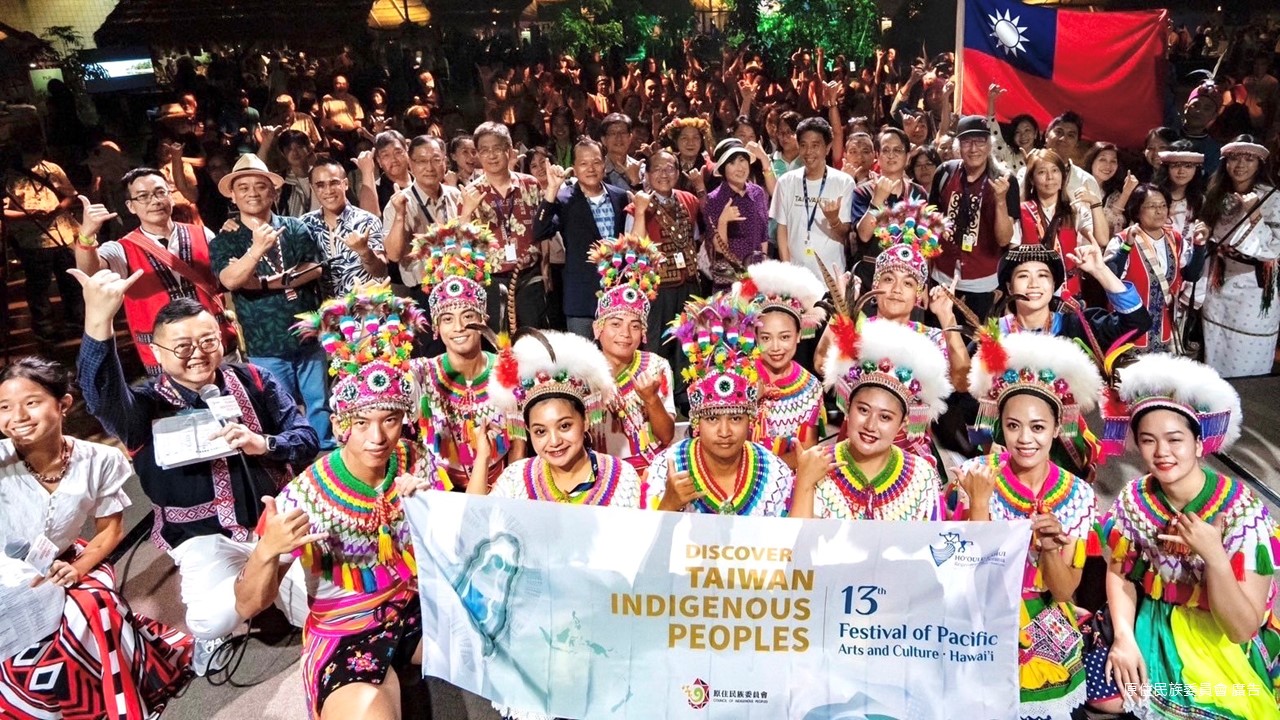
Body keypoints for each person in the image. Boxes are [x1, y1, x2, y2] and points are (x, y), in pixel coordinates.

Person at [73, 272, 318, 672]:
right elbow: (99, 393)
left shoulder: (254, 379)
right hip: (202, 537)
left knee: (318, 614)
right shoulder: (143, 407)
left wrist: (265, 444)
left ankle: (268, 586)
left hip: (274, 523)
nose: (198, 353)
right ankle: (228, 618)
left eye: (207, 342)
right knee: (209, 620)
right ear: (157, 352)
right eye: (183, 346)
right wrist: (98, 322)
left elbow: (305, 436)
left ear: (221, 340)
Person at [239, 288, 441, 719]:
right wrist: (266, 550)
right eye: (361, 423)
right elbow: (247, 605)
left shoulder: (415, 459)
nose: (378, 437)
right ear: (338, 424)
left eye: (389, 419)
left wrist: (430, 504)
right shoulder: (304, 497)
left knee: (510, 640)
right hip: (348, 629)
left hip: (416, 607)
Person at [1089, 354, 1280, 720]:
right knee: (1103, 693)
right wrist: (1125, 637)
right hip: (1156, 622)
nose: (1161, 453)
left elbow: (1241, 628)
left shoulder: (1242, 513)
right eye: (1148, 440)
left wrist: (1216, 558)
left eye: (1175, 439)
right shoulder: (1136, 499)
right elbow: (1120, 572)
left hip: (1217, 637)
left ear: (1198, 443)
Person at [0, 357, 193, 717]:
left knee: (92, 607)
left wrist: (77, 570)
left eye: (31, 402)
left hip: (66, 560)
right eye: (4, 408)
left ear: (63, 405)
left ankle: (98, 699)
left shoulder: (100, 460)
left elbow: (111, 530)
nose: (18, 417)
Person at [960, 332, 1102, 720]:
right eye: (1013, 426)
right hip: (981, 614)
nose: (1025, 439)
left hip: (1047, 616)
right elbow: (968, 574)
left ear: (1058, 428)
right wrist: (978, 505)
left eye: (1038, 427)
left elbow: (1064, 590)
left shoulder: (1077, 495)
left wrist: (1051, 547)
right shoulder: (976, 475)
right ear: (999, 426)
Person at [211, 153, 334, 449]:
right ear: (233, 197)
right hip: (264, 340)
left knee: (320, 404)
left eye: (260, 186)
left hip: (307, 334)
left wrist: (271, 282)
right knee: (282, 408)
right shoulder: (225, 239)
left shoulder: (294, 227)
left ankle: (328, 458)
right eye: (244, 188)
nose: (253, 193)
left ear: (274, 191)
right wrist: (255, 251)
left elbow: (316, 267)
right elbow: (230, 280)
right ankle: (293, 456)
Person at [74, 167, 237, 376]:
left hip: (215, 343)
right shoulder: (122, 248)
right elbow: (92, 273)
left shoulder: (202, 233)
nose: (155, 201)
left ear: (171, 194)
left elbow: (228, 274)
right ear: (131, 206)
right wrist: (87, 237)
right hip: (168, 355)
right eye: (143, 196)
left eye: (161, 192)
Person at [649, 291, 798, 517]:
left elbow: (784, 547)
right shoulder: (667, 468)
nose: (725, 431)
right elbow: (645, 547)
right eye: (712, 418)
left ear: (751, 420)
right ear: (696, 422)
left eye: (736, 418)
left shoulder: (774, 474)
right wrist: (669, 503)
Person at [407, 220, 523, 489]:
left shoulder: (507, 368)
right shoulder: (422, 373)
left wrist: (512, 489)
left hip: (501, 484)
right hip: (439, 488)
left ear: (484, 319)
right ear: (436, 327)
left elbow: (518, 441)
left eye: (468, 316)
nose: (458, 327)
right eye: (447, 319)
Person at [482, 330, 645, 507]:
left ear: (585, 421)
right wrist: (483, 456)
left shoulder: (622, 478)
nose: (554, 441)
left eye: (565, 426)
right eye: (540, 431)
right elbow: (475, 523)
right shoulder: (515, 479)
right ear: (528, 431)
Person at [812, 317, 950, 520]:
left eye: (885, 417)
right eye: (864, 410)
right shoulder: (818, 467)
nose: (870, 425)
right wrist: (806, 485)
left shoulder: (922, 477)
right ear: (848, 409)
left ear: (903, 422)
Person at [588, 234, 676, 470]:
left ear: (644, 333)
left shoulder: (656, 367)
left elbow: (667, 436)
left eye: (635, 326)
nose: (625, 333)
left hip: (650, 471)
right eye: (615, 324)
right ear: (598, 328)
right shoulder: (582, 371)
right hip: (600, 473)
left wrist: (651, 399)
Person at [1198, 137, 1279, 378]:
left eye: (1249, 158)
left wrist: (1254, 215)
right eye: (1234, 158)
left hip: (1253, 289)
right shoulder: (1216, 193)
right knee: (1214, 351)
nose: (1240, 164)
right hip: (1218, 283)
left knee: (1247, 356)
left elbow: (1275, 249)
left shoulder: (1273, 198)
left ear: (1260, 163)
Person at [534, 138, 629, 338]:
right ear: (574, 168)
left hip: (617, 293)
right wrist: (551, 190)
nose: (591, 168)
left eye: (596, 162)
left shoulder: (620, 196)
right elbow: (540, 232)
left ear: (604, 164)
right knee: (583, 365)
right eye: (583, 163)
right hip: (581, 298)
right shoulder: (564, 199)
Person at [929, 115, 1020, 320]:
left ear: (990, 145)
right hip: (941, 276)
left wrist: (1000, 201)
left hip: (983, 281)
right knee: (939, 337)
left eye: (980, 141)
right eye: (967, 142)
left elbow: (1005, 239)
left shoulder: (1005, 180)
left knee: (974, 343)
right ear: (957, 146)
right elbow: (930, 225)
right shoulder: (944, 173)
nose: (973, 149)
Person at [457, 122, 547, 330]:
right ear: (478, 156)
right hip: (491, 281)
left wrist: (545, 268)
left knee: (534, 339)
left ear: (509, 150)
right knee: (500, 342)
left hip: (529, 275)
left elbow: (544, 230)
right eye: (484, 150)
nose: (491, 155)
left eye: (497, 148)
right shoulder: (471, 192)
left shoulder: (530, 184)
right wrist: (467, 212)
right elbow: (463, 246)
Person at [628, 148, 701, 401]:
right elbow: (634, 248)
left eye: (670, 168)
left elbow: (695, 239)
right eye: (657, 168)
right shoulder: (639, 203)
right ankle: (654, 395)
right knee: (656, 344)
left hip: (688, 283)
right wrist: (639, 212)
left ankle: (684, 395)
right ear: (646, 174)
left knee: (687, 342)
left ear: (678, 173)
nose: (664, 174)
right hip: (657, 286)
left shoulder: (688, 200)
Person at [740, 260, 828, 469]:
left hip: (787, 480)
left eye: (785, 337)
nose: (776, 347)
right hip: (739, 474)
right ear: (755, 337)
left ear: (799, 335)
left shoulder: (810, 387)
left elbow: (805, 450)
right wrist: (750, 401)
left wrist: (767, 475)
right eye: (767, 338)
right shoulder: (740, 375)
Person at [1104, 184, 1207, 353]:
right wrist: (1127, 247)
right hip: (1129, 333)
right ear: (1137, 211)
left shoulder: (1175, 240)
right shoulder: (1123, 239)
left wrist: (1199, 245)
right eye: (1152, 206)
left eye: (1163, 205)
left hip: (1163, 332)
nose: (1159, 211)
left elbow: (1191, 275)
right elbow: (1110, 277)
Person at [3, 129, 84, 341]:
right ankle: (44, 327)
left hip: (63, 234)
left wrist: (57, 210)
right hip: (31, 240)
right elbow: (3, 211)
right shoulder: (9, 176)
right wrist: (27, 215)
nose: (34, 157)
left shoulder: (52, 169)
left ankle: (76, 320)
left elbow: (71, 195)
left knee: (71, 281)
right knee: (39, 285)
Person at [771, 117, 857, 281]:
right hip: (796, 277)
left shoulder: (844, 182)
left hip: (832, 278)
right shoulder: (786, 182)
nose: (808, 151)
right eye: (803, 145)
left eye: (815, 145)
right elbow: (782, 228)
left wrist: (833, 220)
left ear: (828, 147)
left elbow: (843, 233)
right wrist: (786, 268)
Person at [850, 127, 928, 293]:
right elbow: (864, 235)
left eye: (897, 150)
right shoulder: (862, 192)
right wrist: (877, 200)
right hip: (871, 279)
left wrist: (924, 283)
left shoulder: (918, 193)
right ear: (877, 156)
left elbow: (924, 241)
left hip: (908, 280)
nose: (891, 155)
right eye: (885, 150)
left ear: (907, 157)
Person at [1019, 149, 1105, 298]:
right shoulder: (1021, 211)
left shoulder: (1075, 210)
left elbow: (1102, 239)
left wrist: (1095, 203)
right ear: (1032, 180)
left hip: (1068, 292)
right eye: (1041, 172)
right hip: (1033, 290)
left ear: (1063, 177)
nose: (1050, 177)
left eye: (1055, 171)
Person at [300, 158, 390, 299]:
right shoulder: (305, 224)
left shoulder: (366, 220)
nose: (328, 190)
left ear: (346, 184)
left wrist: (365, 252)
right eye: (320, 185)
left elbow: (380, 271)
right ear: (312, 188)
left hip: (366, 310)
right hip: (326, 315)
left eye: (334, 183)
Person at [703, 139, 772, 290]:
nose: (739, 168)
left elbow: (764, 235)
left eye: (742, 160)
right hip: (729, 279)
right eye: (732, 163)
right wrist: (723, 220)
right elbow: (719, 249)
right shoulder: (714, 199)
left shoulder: (757, 192)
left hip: (757, 275)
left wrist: (765, 267)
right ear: (722, 169)